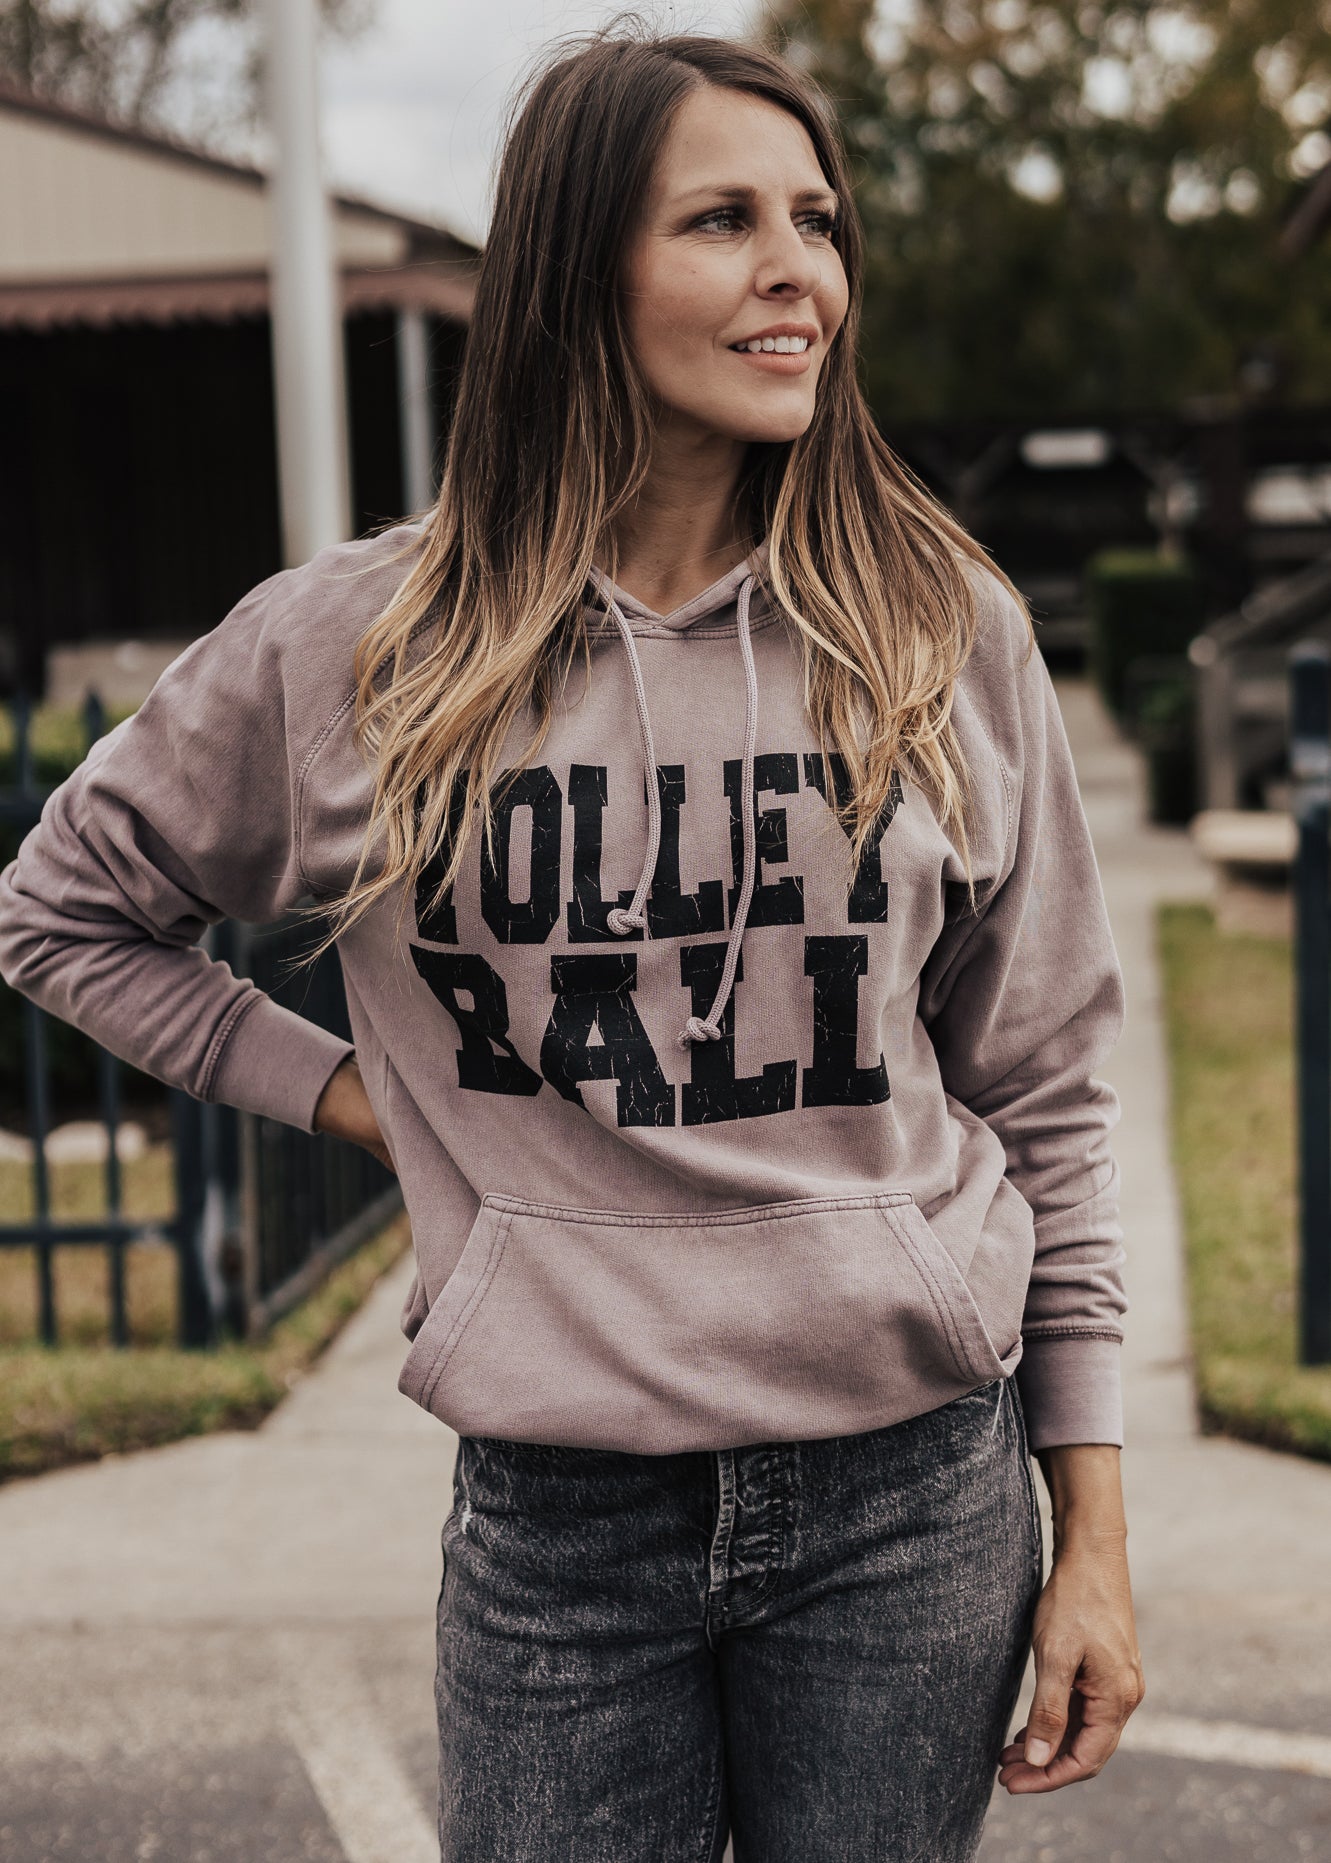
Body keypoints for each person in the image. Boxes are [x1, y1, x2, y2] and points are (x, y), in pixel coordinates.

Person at [0, 25, 1145, 1862]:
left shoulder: (943, 635)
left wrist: (1093, 1533)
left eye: (818, 222)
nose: (798, 270)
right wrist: (362, 1102)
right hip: (561, 1528)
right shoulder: (356, 647)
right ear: (573, 275)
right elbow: (64, 913)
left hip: (911, 1499)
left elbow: (1051, 1094)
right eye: (722, 220)